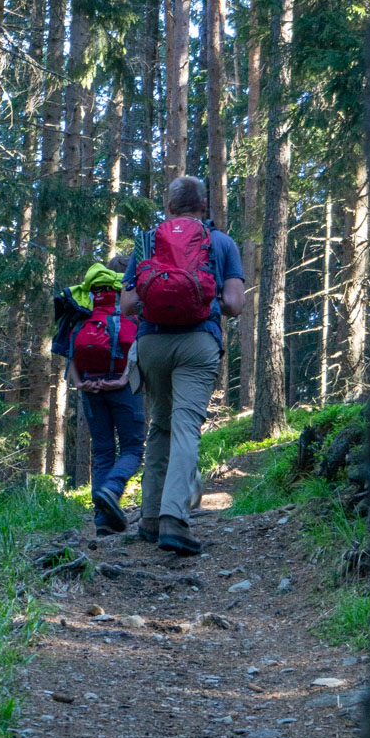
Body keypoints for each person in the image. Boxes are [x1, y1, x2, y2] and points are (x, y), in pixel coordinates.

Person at [121, 176, 244, 555]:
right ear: (204, 207)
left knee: (159, 425)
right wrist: (205, 300)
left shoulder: (147, 241)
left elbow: (126, 306)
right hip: (198, 342)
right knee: (185, 427)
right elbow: (235, 304)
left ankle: (151, 518)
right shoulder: (221, 243)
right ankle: (175, 520)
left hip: (152, 342)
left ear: (169, 207)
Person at [66, 255, 145, 536]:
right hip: (122, 386)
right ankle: (111, 490)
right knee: (134, 448)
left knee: (102, 450)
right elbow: (139, 346)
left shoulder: (85, 302)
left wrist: (80, 383)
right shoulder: (133, 303)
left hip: (89, 385)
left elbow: (69, 348)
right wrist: (122, 379)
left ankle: (102, 520)